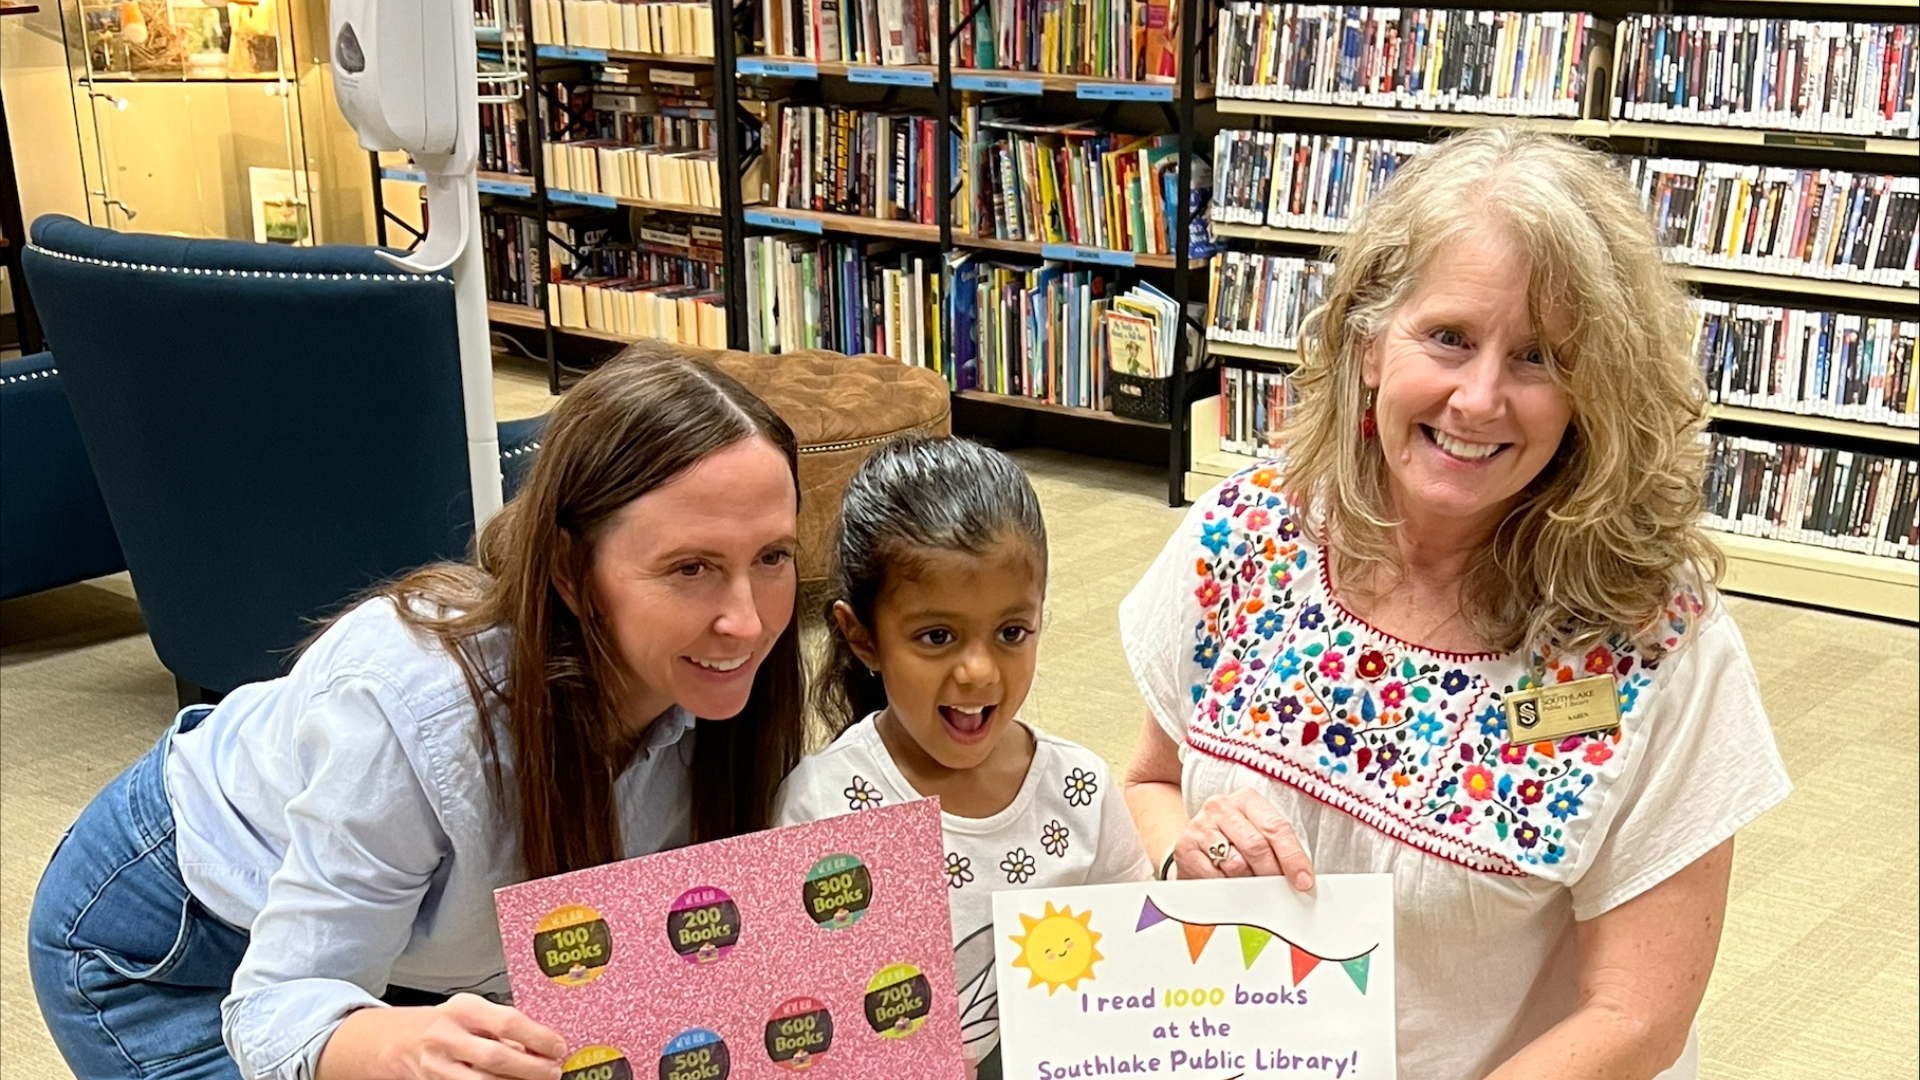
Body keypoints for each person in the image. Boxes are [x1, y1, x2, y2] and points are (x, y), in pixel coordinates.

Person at [1119, 127, 1792, 1080]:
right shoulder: (1248, 532)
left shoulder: (1652, 639)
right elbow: (1147, 783)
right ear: (1367, 347)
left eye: (1539, 358)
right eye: (1449, 338)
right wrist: (1186, 857)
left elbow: (1638, 1015)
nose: (1478, 399)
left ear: (1592, 394)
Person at [29, 346, 809, 1080]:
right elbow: (278, 1007)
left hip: (421, 960)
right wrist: (397, 1042)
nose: (745, 621)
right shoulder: (416, 707)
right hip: (183, 945)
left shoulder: (732, 699)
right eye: (690, 568)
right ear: (572, 571)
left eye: (772, 557)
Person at [773, 435, 1153, 1079]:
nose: (979, 672)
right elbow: (798, 1015)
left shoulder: (1081, 791)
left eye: (1011, 633)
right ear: (861, 636)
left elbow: (1142, 966)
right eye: (937, 636)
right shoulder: (822, 805)